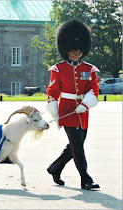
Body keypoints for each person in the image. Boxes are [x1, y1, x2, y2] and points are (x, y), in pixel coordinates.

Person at [46, 19, 100, 190]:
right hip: (67, 111)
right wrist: (54, 111)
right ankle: (85, 178)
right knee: (77, 145)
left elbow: (93, 88)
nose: (78, 51)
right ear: (67, 49)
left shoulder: (89, 69)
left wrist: (85, 104)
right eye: (75, 48)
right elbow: (52, 92)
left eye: (80, 48)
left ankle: (55, 168)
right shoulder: (58, 69)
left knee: (76, 145)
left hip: (83, 112)